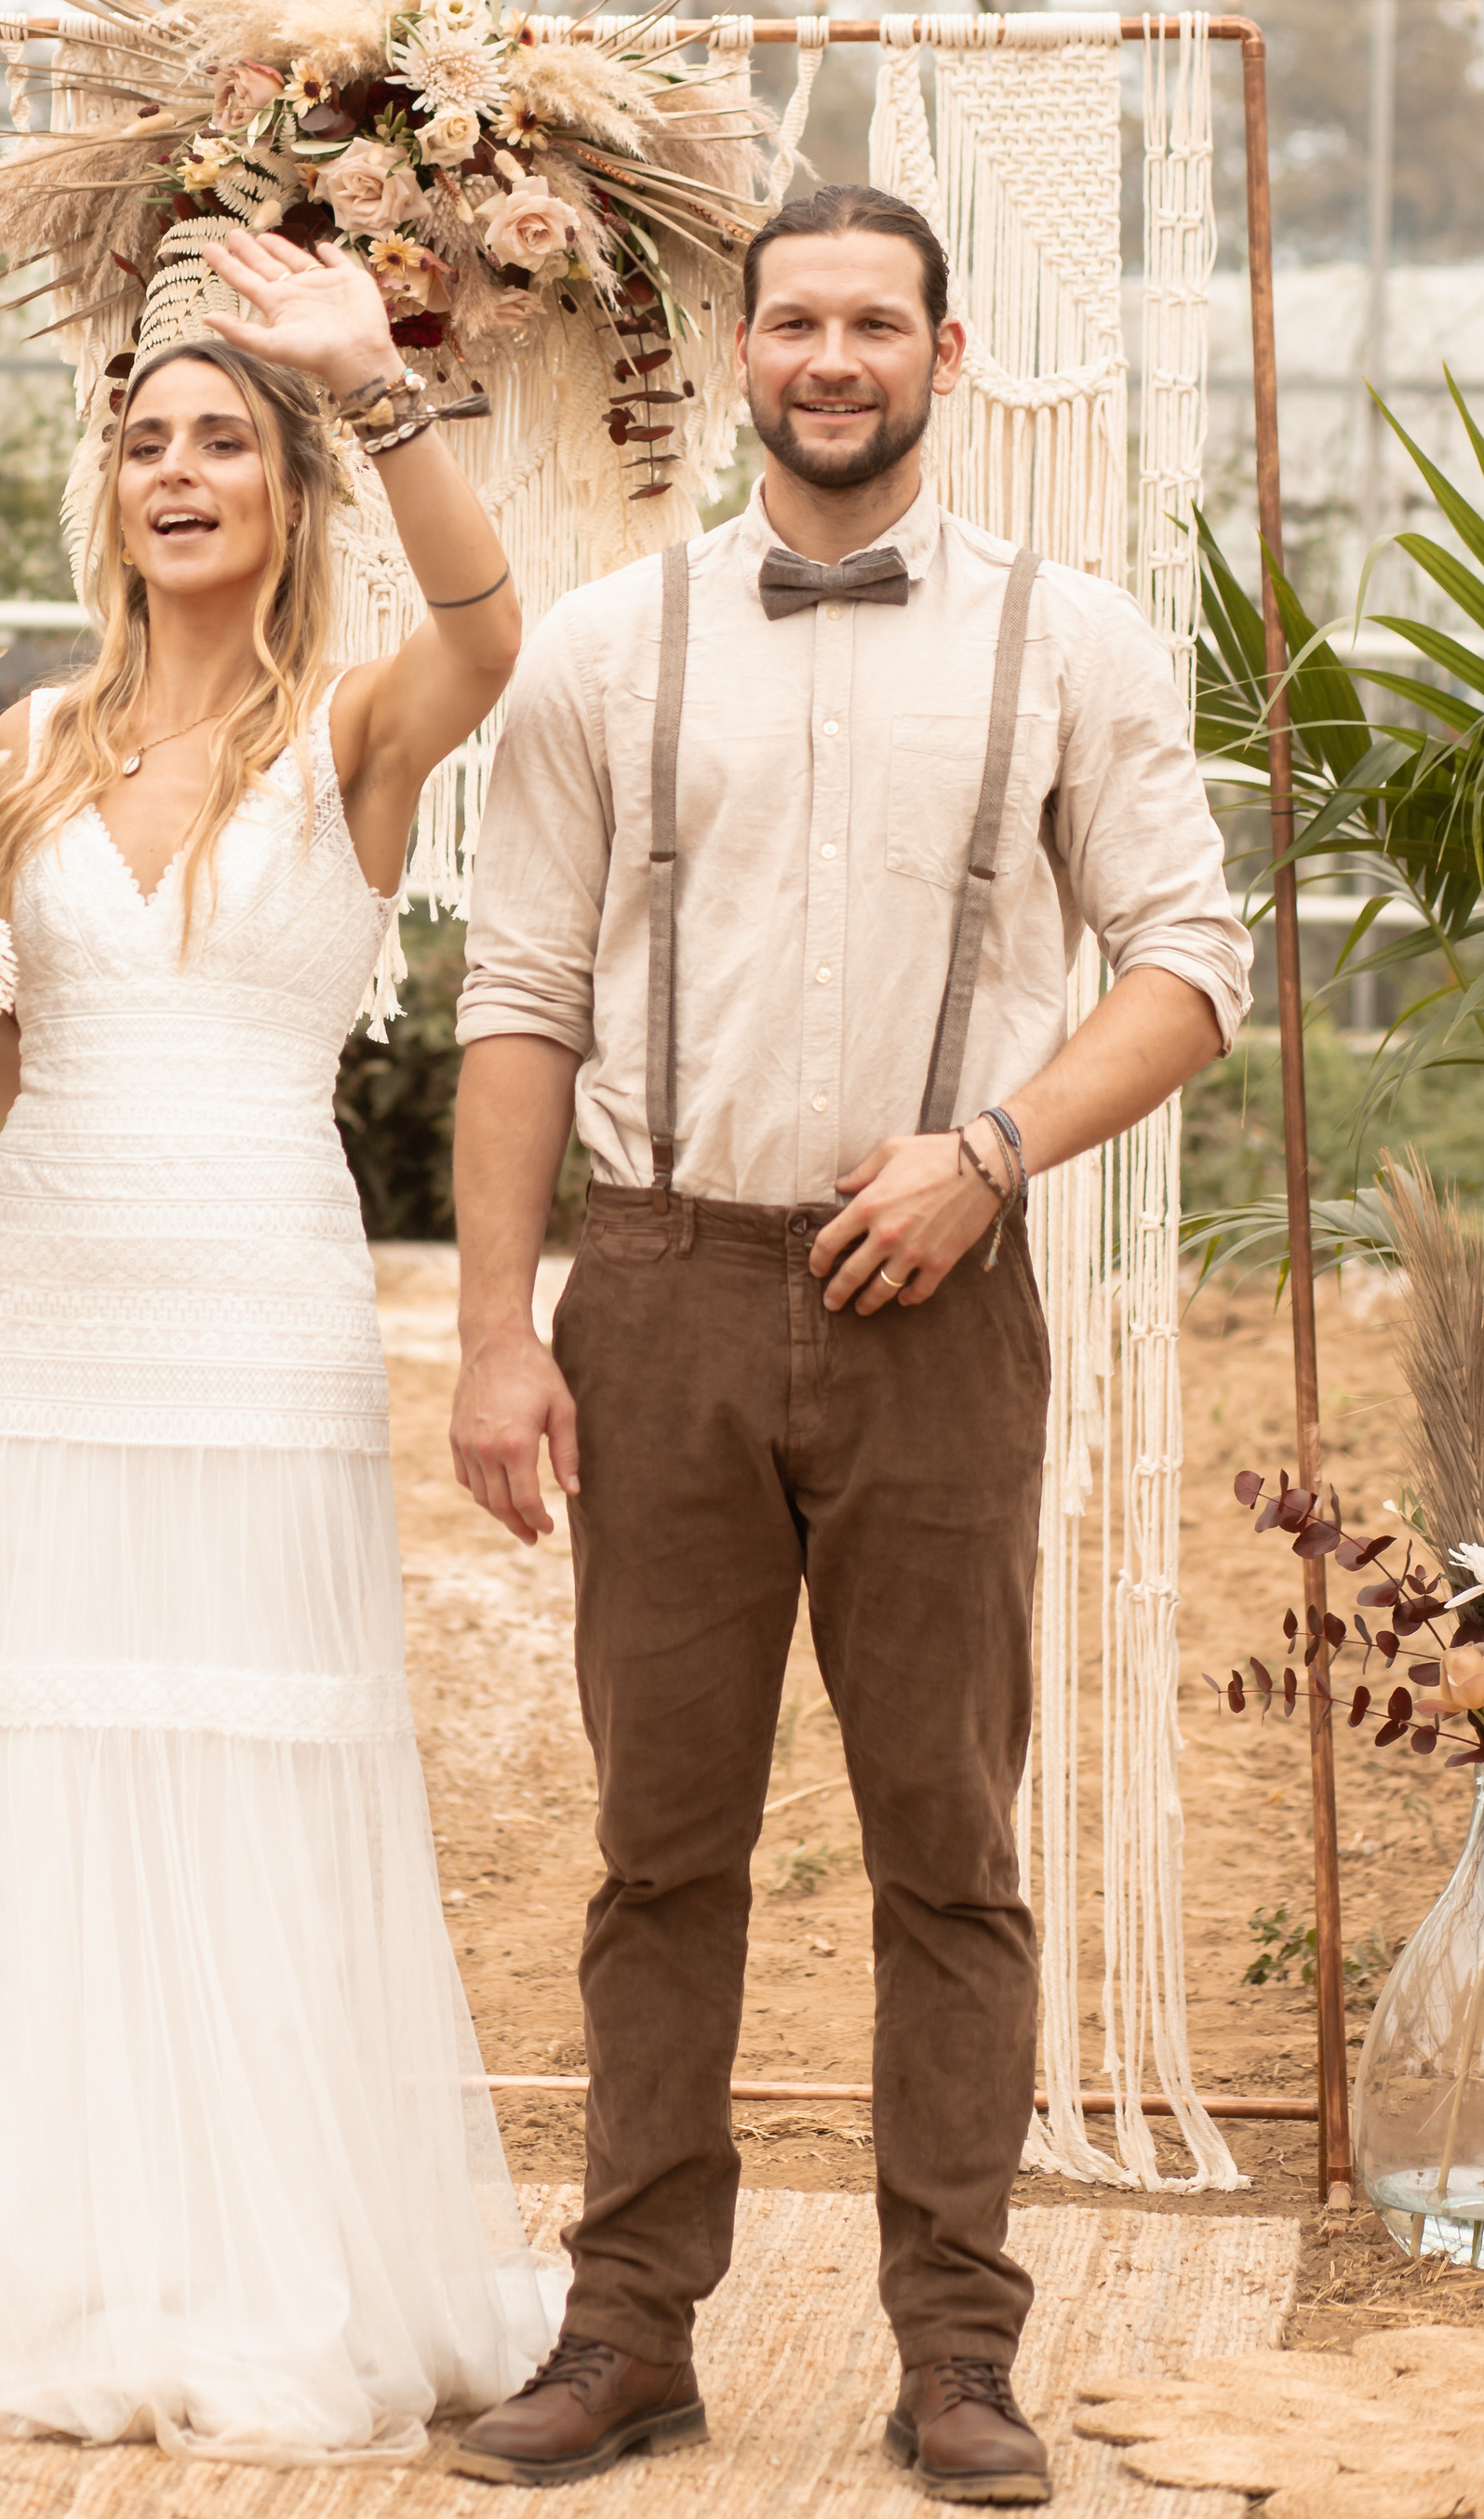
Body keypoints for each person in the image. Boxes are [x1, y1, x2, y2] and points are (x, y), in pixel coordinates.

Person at [445, 185, 1253, 2501]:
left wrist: (986, 1149)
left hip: (939, 1297)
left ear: (944, 350)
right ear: (738, 354)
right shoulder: (606, 648)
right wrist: (499, 1333)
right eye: (791, 319)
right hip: (664, 1285)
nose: (828, 355)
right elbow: (513, 1002)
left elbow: (1186, 959)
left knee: (945, 1847)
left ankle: (954, 2351)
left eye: (869, 321)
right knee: (655, 1843)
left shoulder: (1067, 642)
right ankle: (624, 2333)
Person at [0, 230, 553, 2461]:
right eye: (141, 444)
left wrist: (366, 379)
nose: (176, 474)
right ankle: (101, 2265)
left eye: (216, 443)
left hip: (258, 1295)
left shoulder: (357, 721)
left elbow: (495, 629)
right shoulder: (25, 743)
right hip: (47, 1294)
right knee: (64, 1760)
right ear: (107, 496)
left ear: (282, 491)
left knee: (265, 1764)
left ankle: (288, 2264)